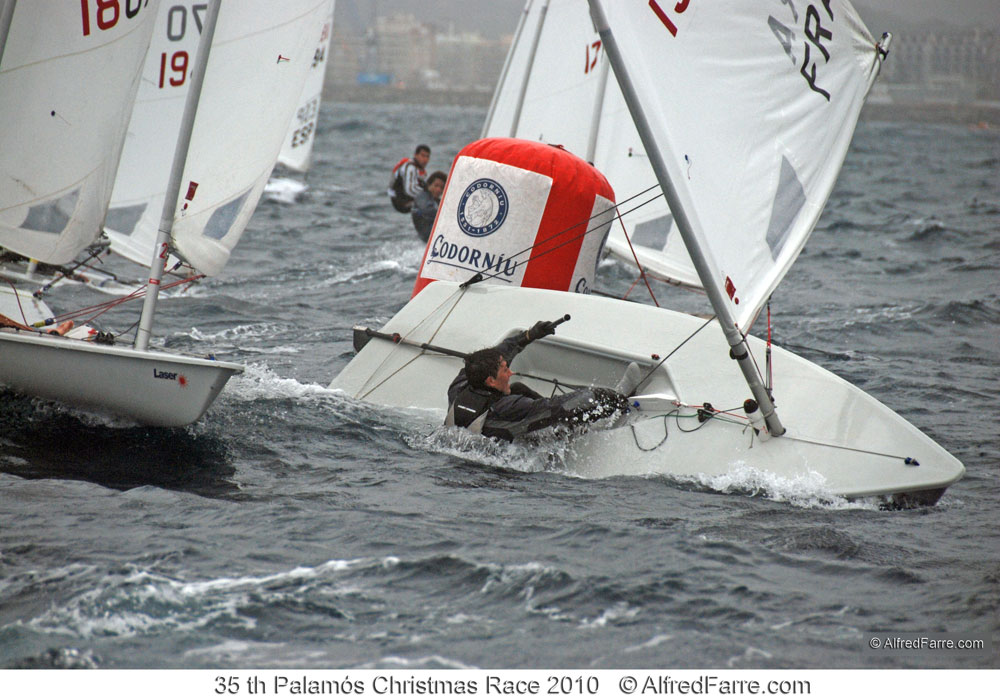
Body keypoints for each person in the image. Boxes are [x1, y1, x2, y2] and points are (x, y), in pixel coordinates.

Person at [445, 319, 638, 441]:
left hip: (471, 441)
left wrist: (529, 335)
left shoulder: (460, 386)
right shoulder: (508, 407)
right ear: (491, 382)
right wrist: (609, 397)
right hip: (503, 460)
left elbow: (498, 354)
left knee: (517, 387)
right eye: (505, 370)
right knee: (558, 413)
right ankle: (585, 427)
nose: (511, 372)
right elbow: (561, 406)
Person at [388, 144, 430, 213]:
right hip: (400, 201)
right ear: (416, 155)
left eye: (427, 157)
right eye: (422, 156)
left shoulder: (421, 171)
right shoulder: (410, 167)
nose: (425, 159)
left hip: (406, 198)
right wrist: (429, 196)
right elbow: (409, 190)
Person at [411, 170, 446, 243]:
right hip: (426, 235)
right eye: (436, 186)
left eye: (442, 188)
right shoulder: (422, 196)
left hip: (432, 235)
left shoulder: (436, 201)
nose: (438, 190)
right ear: (429, 185)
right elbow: (426, 210)